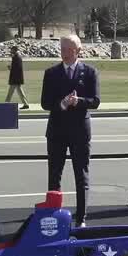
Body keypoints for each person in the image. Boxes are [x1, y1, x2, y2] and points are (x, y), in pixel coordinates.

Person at [41, 34, 100, 227]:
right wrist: (62, 103)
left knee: (81, 174)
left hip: (79, 131)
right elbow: (45, 103)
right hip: (57, 131)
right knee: (54, 174)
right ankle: (53, 216)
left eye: (69, 50)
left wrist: (79, 101)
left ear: (78, 51)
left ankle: (81, 219)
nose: (64, 54)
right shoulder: (51, 73)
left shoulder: (90, 72)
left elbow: (95, 101)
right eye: (62, 49)